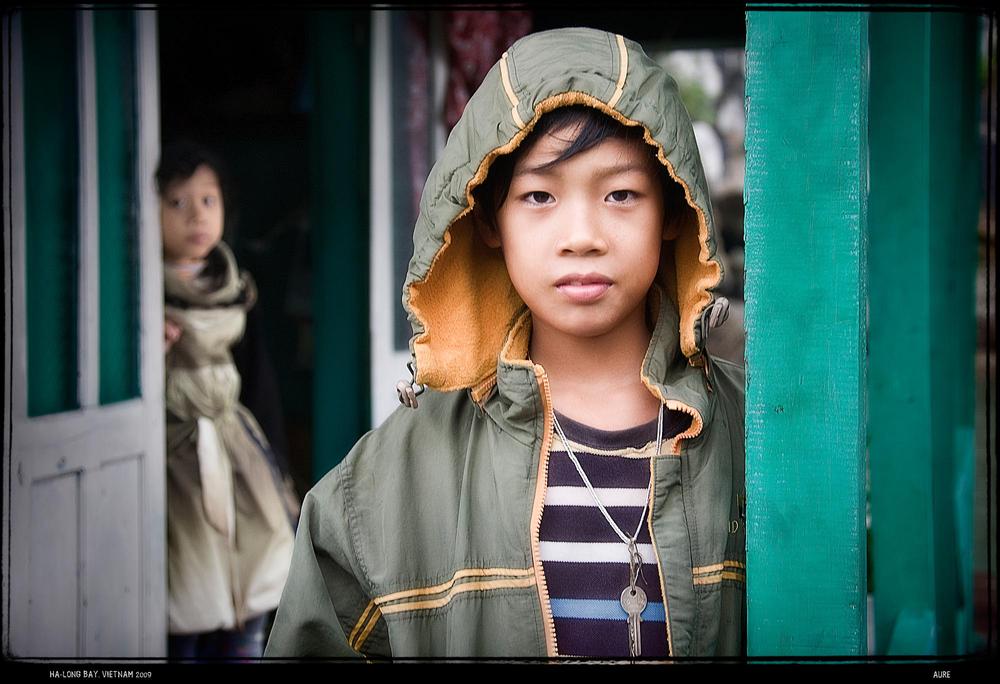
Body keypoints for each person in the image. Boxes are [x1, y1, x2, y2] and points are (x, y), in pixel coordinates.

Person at [265, 26, 745, 659]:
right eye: (540, 195)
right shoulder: (388, 485)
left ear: (675, 212)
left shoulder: (752, 436)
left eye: (621, 194)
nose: (582, 235)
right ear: (488, 219)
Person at [158, 141, 298, 659]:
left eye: (208, 201)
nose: (195, 215)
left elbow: (258, 382)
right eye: (176, 202)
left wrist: (276, 462)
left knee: (257, 559)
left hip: (234, 448)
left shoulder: (236, 288)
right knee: (188, 579)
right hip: (175, 457)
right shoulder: (139, 294)